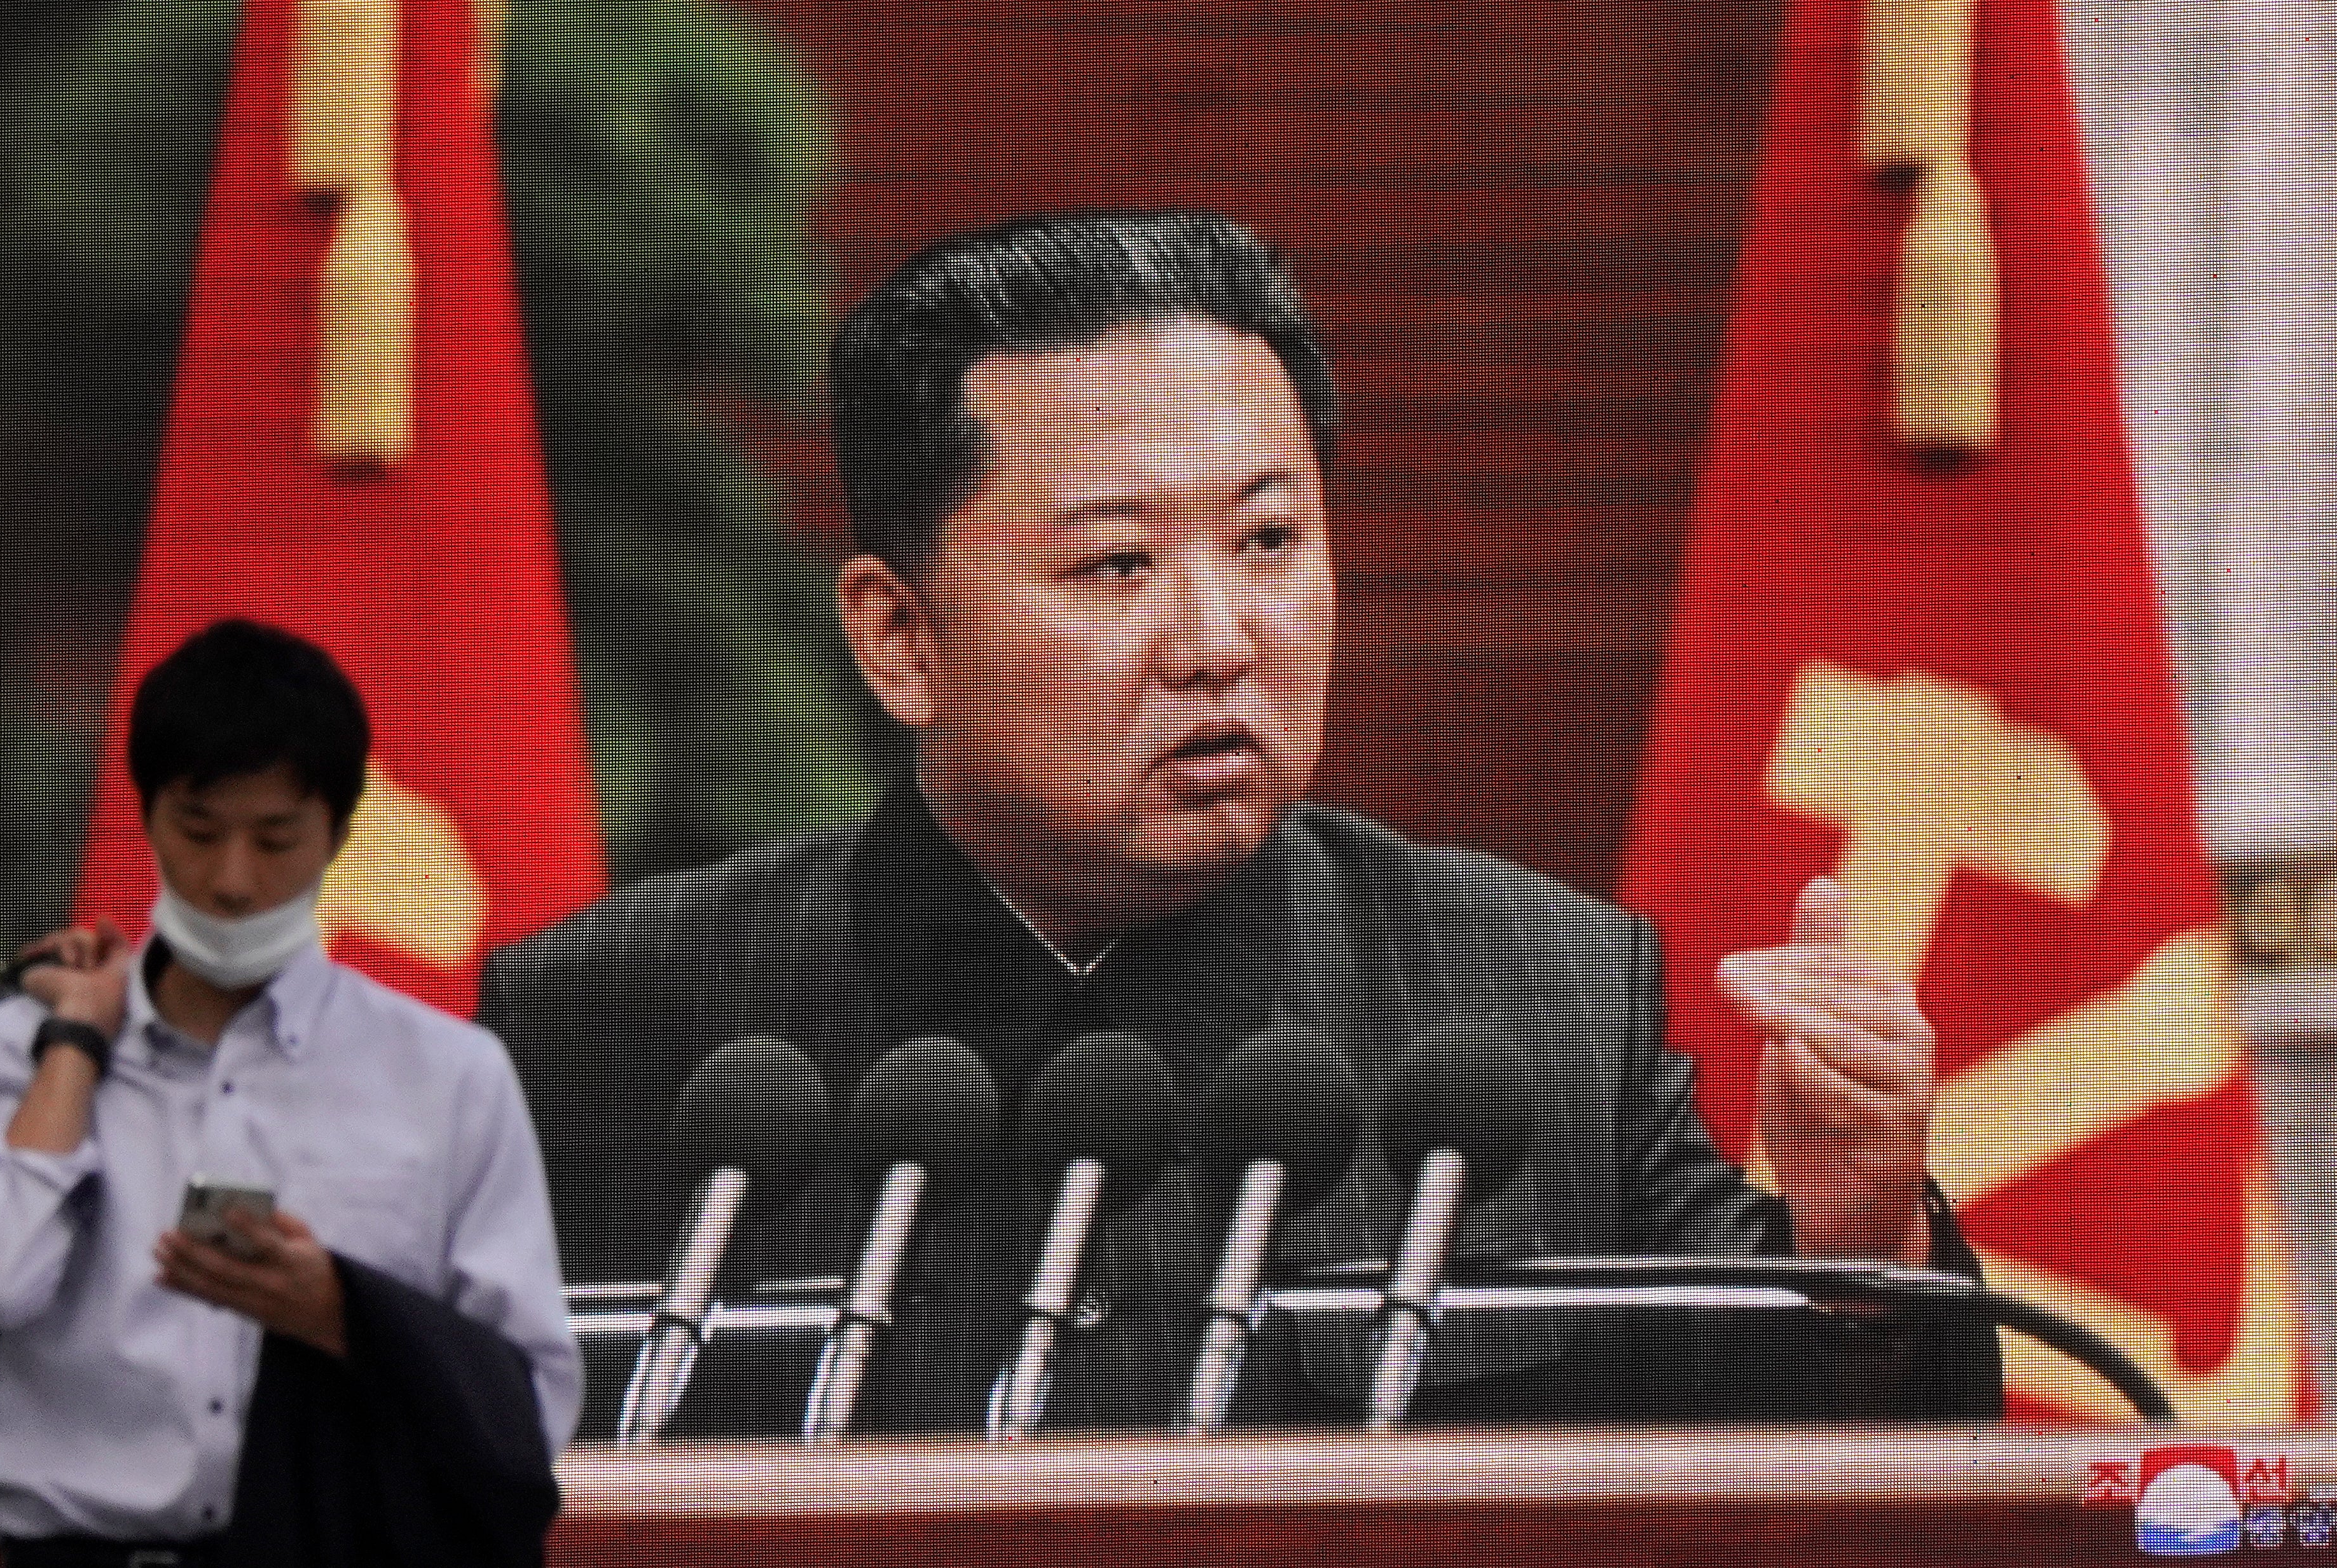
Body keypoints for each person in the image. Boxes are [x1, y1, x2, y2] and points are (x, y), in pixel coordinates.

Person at [480, 210, 2001, 1433]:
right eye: (1118, 567)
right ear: (900, 638)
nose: (1220, 636)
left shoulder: (1536, 992)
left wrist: (1863, 1243)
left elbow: (1826, 1488)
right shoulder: (610, 1028)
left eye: (1269, 539)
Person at [0, 619, 580, 1561]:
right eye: (199, 830)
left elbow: (531, 1402)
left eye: (275, 837)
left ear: (338, 833)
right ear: (147, 816)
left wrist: (348, 1314)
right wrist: (75, 1041)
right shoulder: (17, 1047)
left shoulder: (448, 1074)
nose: (232, 879)